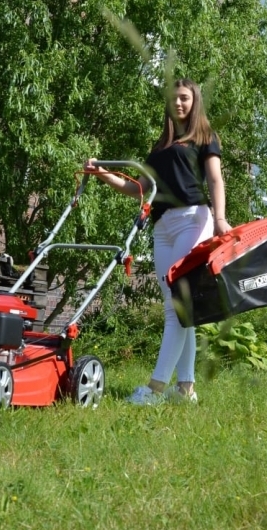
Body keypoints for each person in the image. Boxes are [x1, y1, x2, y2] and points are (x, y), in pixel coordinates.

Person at [85, 79, 231, 405]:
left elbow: (215, 179)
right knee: (182, 309)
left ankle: (155, 390)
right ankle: (185, 390)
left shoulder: (205, 137)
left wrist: (220, 219)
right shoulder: (161, 146)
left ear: (194, 102)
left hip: (194, 220)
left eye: (184, 98)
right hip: (163, 227)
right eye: (173, 98)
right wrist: (103, 174)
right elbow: (139, 188)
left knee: (175, 306)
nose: (178, 103)